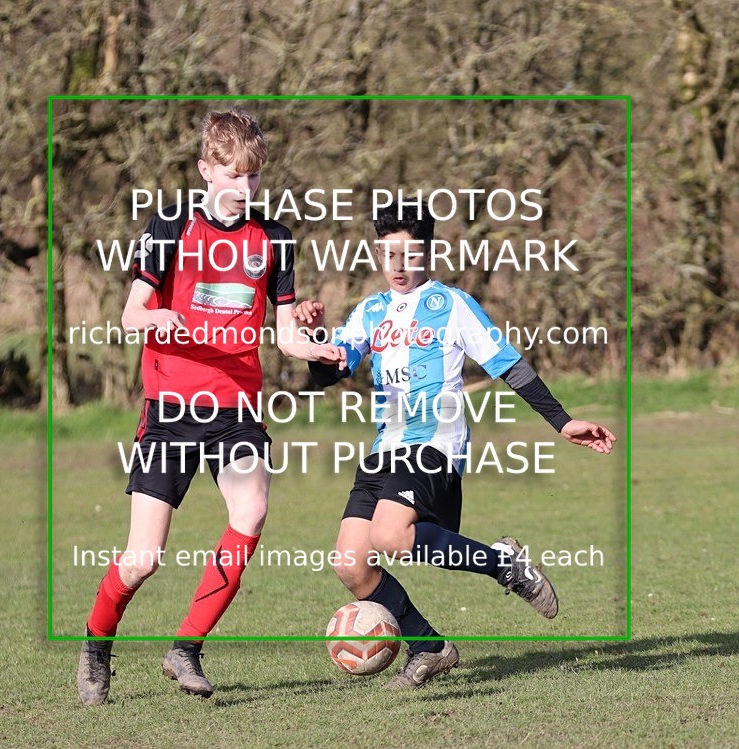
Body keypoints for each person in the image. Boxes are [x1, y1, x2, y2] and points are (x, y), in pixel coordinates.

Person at [77, 109, 345, 705]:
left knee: (250, 511)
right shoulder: (169, 226)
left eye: (253, 178)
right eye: (232, 175)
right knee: (143, 558)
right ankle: (97, 645)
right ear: (205, 170)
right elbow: (130, 315)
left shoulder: (273, 238)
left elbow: (283, 334)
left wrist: (319, 345)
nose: (244, 189)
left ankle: (187, 649)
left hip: (238, 405)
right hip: (172, 403)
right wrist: (158, 316)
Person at [295, 200, 615, 689]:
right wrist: (313, 334)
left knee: (390, 535)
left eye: (409, 253)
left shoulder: (452, 305)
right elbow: (327, 373)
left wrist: (562, 422)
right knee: (351, 564)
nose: (398, 265)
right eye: (388, 253)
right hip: (386, 446)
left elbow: (509, 364)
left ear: (427, 252)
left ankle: (506, 567)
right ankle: (431, 647)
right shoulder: (370, 311)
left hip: (434, 440)